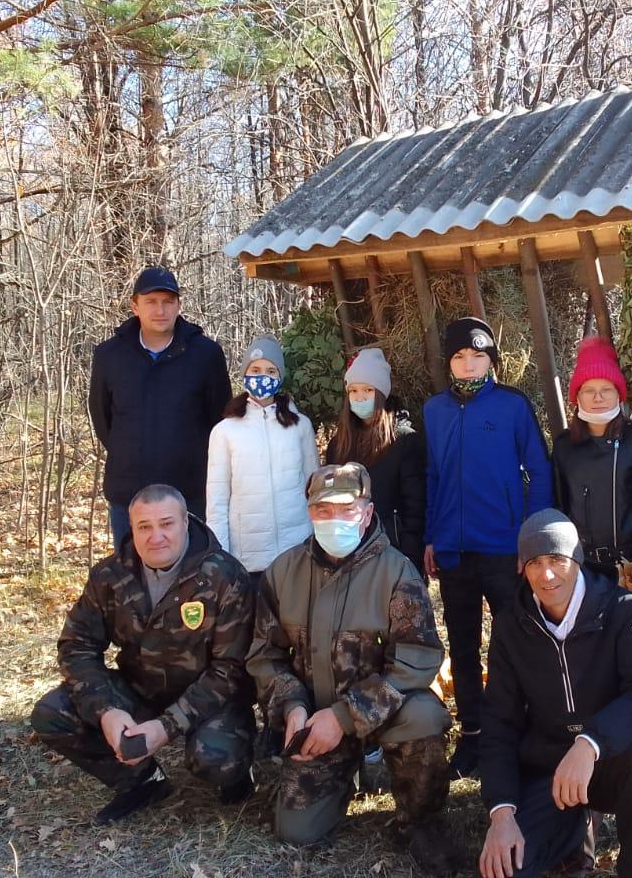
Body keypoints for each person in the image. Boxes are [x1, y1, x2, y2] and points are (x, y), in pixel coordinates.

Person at [246, 463, 459, 873]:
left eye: (346, 509)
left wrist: (344, 717)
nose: (334, 519)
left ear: (366, 511)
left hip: (379, 718)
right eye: (322, 510)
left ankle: (421, 819)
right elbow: (264, 656)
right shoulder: (282, 572)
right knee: (295, 832)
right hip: (313, 722)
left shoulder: (397, 571)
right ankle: (352, 775)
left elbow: (416, 658)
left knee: (425, 716)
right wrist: (292, 709)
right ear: (309, 513)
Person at [29, 484, 256, 824]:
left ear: (185, 521)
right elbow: (77, 646)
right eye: (144, 527)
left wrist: (166, 728)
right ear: (131, 528)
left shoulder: (224, 576)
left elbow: (231, 670)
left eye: (166, 524)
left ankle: (240, 773)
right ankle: (143, 781)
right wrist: (107, 711)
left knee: (216, 759)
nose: (156, 537)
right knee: (52, 713)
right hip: (140, 689)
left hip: (211, 699)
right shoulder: (110, 575)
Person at [478, 509, 632, 878]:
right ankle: (574, 828)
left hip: (609, 759)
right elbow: (499, 723)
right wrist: (501, 813)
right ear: (521, 566)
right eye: (535, 562)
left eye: (557, 559)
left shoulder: (624, 611)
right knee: (503, 871)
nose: (547, 574)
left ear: (577, 558)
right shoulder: (510, 626)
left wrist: (590, 742)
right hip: (546, 771)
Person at [423, 317, 553, 778]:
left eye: (477, 355)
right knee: (461, 644)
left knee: (512, 641)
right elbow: (434, 476)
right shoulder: (434, 410)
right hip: (456, 551)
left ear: (492, 361)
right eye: (459, 356)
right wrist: (432, 537)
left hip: (504, 549)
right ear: (449, 364)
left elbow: (539, 471)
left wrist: (531, 540)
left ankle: (516, 730)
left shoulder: (513, 406)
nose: (468, 364)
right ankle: (473, 734)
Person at [89, 268, 232, 546]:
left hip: (190, 491)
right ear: (135, 306)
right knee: (131, 579)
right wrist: (130, 451)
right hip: (128, 490)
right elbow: (102, 418)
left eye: (168, 301)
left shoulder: (205, 354)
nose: (160, 310)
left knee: (194, 576)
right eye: (151, 302)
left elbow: (219, 419)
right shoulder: (110, 356)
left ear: (179, 305)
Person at [551, 336, 632, 585]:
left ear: (618, 394)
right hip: (580, 570)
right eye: (589, 390)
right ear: (577, 397)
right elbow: (557, 507)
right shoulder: (564, 447)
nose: (598, 398)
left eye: (606, 389)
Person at [205, 333, 319, 577]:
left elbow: (314, 489)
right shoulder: (224, 431)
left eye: (270, 371)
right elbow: (217, 502)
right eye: (255, 369)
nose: (262, 377)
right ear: (245, 373)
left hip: (296, 553)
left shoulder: (301, 426)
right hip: (246, 558)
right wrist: (220, 555)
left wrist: (316, 542)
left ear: (280, 377)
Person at [325, 347, 426, 574]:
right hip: (349, 551)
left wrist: (410, 559)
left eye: (368, 390)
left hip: (394, 551)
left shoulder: (404, 440)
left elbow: (415, 508)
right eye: (354, 391)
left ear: (381, 393)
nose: (360, 398)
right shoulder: (338, 444)